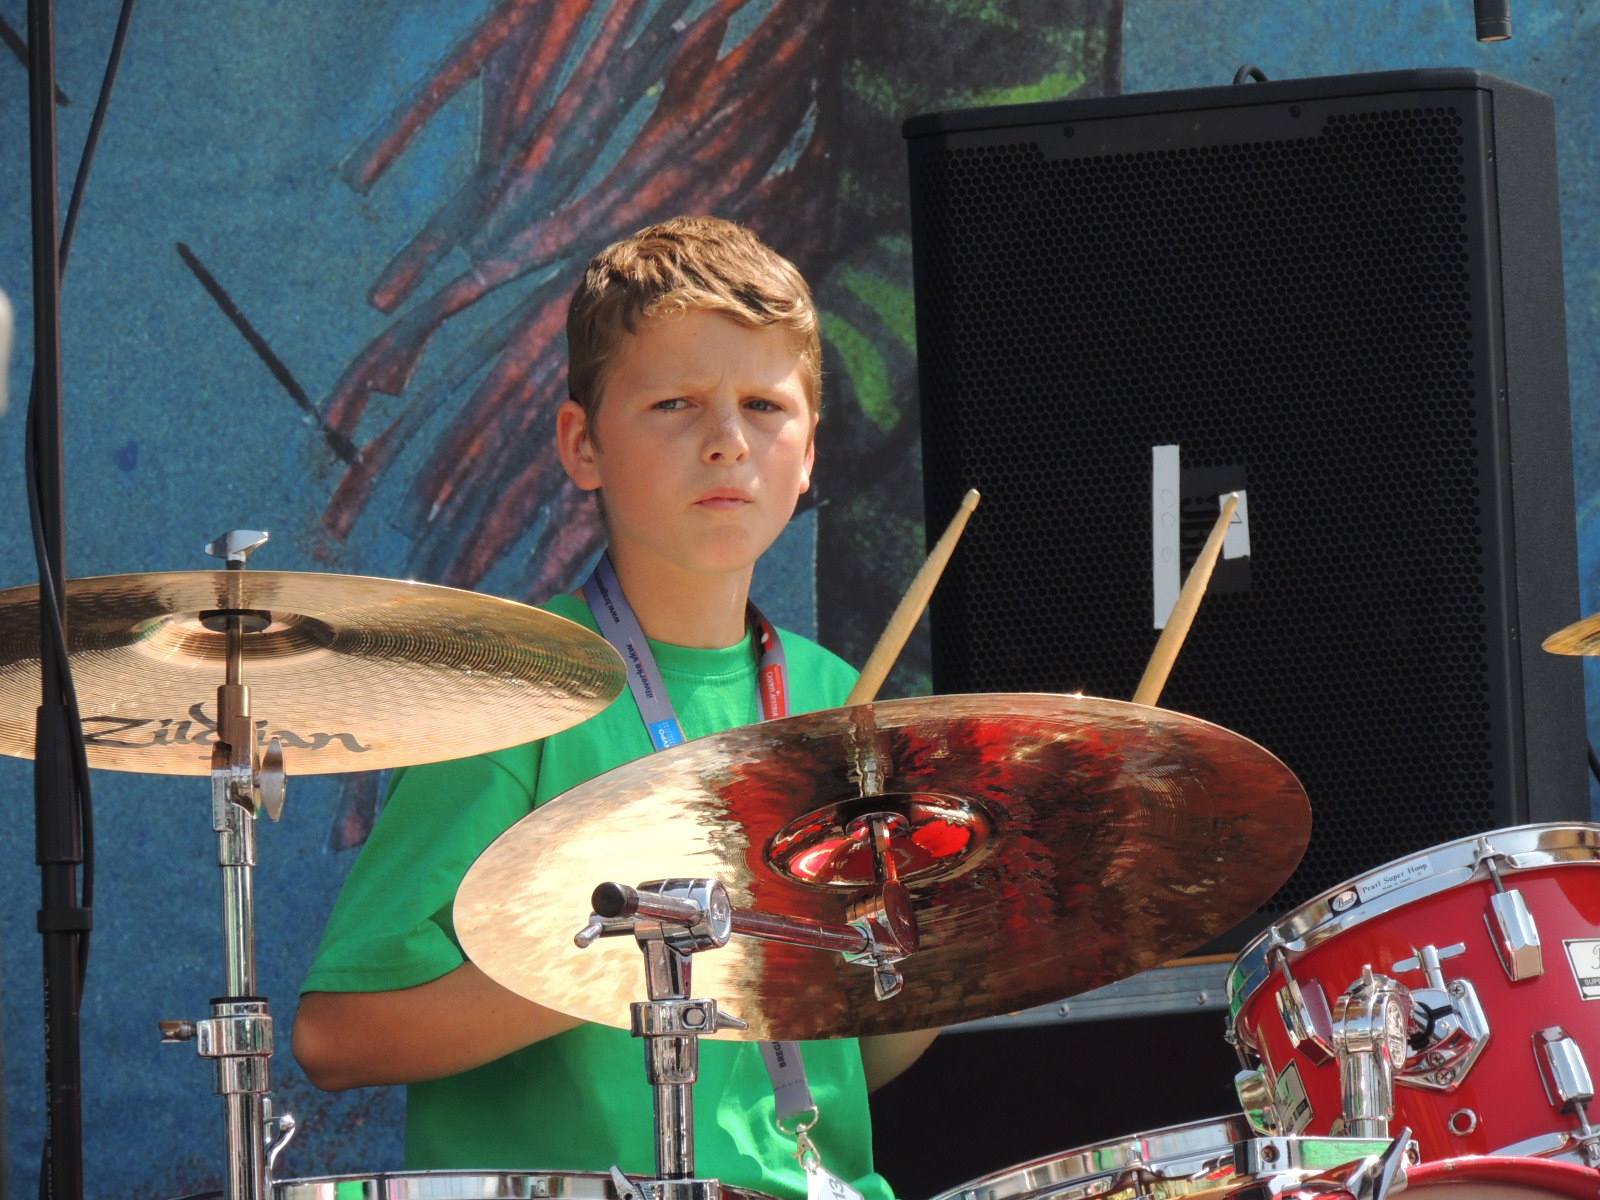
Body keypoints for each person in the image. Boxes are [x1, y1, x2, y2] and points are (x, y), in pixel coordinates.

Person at [293, 216, 934, 1200]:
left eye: (765, 405)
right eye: (675, 403)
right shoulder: (519, 691)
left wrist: (965, 953)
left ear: (809, 451)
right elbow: (340, 1037)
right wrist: (638, 961)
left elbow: (850, 1058)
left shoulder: (840, 701)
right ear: (581, 444)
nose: (727, 442)